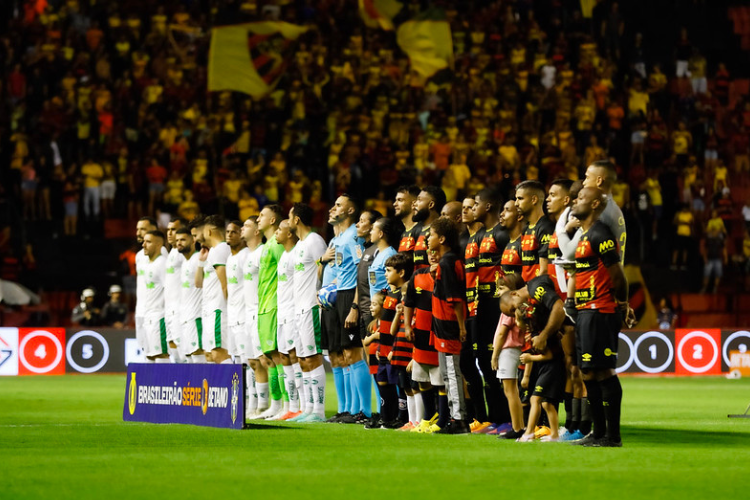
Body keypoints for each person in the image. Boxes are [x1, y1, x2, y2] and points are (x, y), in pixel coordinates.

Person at [570, 187, 629, 447]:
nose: (575, 201)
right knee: (588, 373)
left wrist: (623, 305)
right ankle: (597, 432)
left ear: (595, 204)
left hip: (600, 310)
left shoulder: (601, 233)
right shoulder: (584, 235)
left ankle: (612, 436)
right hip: (585, 312)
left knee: (604, 371)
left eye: (581, 198)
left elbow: (617, 274)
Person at [500, 274, 567, 442]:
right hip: (551, 358)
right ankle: (554, 434)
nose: (515, 314)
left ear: (514, 294)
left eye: (513, 308)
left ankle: (530, 432)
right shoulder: (534, 315)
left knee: (538, 399)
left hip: (554, 363)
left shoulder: (536, 289)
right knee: (545, 402)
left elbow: (559, 307)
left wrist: (543, 337)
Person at [470, 187, 510, 433]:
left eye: (476, 204)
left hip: (497, 305)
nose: (473, 208)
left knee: (500, 364)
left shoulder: (502, 234)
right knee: (484, 363)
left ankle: (507, 418)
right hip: (480, 306)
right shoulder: (479, 235)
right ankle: (494, 418)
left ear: (487, 206)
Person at [287, 203, 329, 422]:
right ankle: (308, 409)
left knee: (313, 357)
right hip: (298, 309)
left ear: (297, 220)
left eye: (289, 216)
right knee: (303, 359)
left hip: (311, 307)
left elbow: (324, 269)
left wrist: (321, 261)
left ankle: (318, 411)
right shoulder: (300, 245)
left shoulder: (315, 241)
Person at [428, 217, 469, 434]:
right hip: (444, 325)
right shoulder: (449, 261)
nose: (428, 238)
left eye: (432, 234)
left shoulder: (447, 263)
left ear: (442, 239)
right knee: (448, 374)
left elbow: (455, 299)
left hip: (449, 326)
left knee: (451, 374)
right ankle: (457, 417)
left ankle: (459, 420)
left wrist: (461, 327)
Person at [333, 194, 370, 423]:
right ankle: (352, 409)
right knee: (346, 354)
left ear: (349, 211)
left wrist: (355, 305)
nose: (334, 208)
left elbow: (361, 271)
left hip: (351, 295)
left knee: (355, 352)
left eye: (338, 205)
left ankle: (364, 410)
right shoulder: (341, 237)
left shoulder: (354, 237)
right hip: (341, 295)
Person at [403, 249, 442, 433]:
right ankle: (429, 416)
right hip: (420, 333)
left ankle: (442, 418)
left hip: (439, 332)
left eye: (436, 251)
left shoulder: (447, 274)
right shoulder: (418, 275)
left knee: (440, 379)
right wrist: (409, 327)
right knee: (421, 378)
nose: (432, 255)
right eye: (430, 252)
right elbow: (409, 303)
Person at [254, 205, 286, 419]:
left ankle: (284, 404)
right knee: (269, 358)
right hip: (263, 305)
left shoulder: (277, 245)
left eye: (262, 215)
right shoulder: (266, 246)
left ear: (273, 219)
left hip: (274, 304)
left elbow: (286, 274)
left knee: (277, 356)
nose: (258, 219)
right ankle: (276, 405)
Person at [274, 219, 302, 420]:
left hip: (293, 312)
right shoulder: (284, 255)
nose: (276, 233)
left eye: (279, 230)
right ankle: (291, 406)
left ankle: (303, 405)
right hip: (282, 312)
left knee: (294, 355)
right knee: (284, 356)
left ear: (290, 234)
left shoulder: (297, 253)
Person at [195, 215, 231, 364]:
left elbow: (225, 284)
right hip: (210, 311)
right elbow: (199, 283)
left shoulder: (220, 249)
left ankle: (233, 387)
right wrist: (201, 263)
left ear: (209, 231)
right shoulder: (213, 251)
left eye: (201, 232)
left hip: (218, 310)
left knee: (219, 355)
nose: (197, 238)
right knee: (209, 356)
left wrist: (231, 310)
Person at [241, 216, 267, 418]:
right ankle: (255, 403)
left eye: (247, 225)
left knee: (263, 359)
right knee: (252, 361)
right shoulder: (246, 255)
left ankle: (266, 405)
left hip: (259, 311)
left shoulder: (262, 253)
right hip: (247, 312)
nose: (243, 228)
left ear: (257, 231)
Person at [175, 225, 205, 363]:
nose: (178, 243)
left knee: (198, 355)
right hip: (185, 316)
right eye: (177, 240)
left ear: (193, 241)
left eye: (182, 239)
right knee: (187, 357)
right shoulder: (185, 262)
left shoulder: (198, 259)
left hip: (196, 316)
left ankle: (205, 384)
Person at [515, 180, 554, 282]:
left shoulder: (546, 228)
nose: (516, 203)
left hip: (538, 291)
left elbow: (544, 270)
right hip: (527, 292)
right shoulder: (526, 228)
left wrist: (526, 291)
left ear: (534, 200)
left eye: (520, 199)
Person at [141, 230, 169, 362]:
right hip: (148, 316)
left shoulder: (162, 263)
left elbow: (169, 290)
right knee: (150, 355)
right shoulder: (148, 264)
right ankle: (150, 383)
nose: (143, 245)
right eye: (144, 241)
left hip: (159, 317)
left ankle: (167, 382)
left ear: (159, 245)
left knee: (161, 354)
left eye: (148, 242)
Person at [225, 220, 249, 364]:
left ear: (241, 234)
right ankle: (242, 388)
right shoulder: (229, 258)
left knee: (247, 360)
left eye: (234, 232)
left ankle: (251, 388)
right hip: (233, 317)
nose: (229, 235)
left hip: (244, 317)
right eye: (227, 232)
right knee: (237, 359)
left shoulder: (245, 255)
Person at [164, 217, 187, 363]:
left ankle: (192, 384)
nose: (170, 233)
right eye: (168, 229)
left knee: (183, 350)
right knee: (173, 348)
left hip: (180, 309)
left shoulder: (183, 254)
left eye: (174, 229)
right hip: (169, 308)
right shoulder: (171, 253)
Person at [412, 186, 446, 271]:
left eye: (419, 200)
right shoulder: (418, 230)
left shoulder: (440, 231)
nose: (415, 204)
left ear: (431, 205)